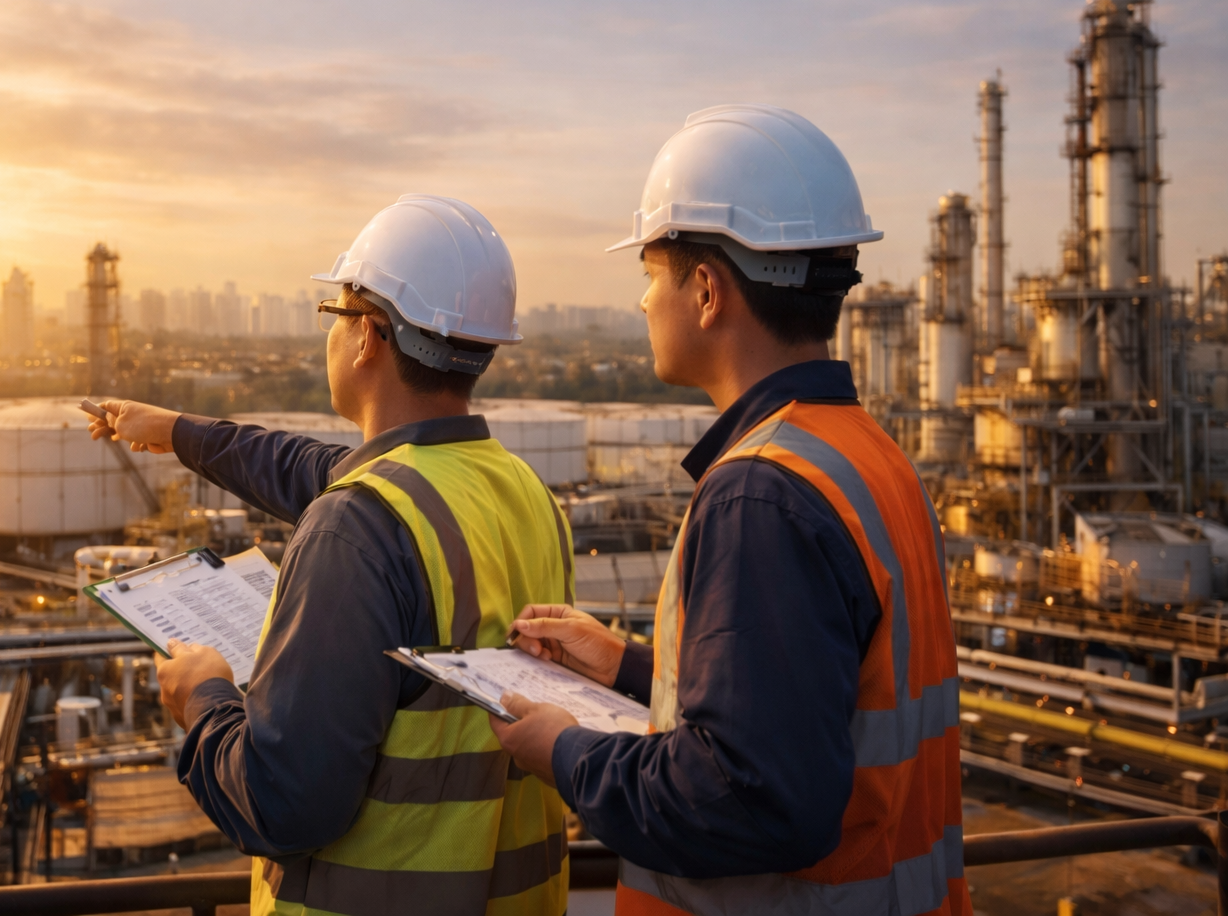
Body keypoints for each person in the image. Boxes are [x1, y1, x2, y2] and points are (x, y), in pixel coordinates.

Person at [489, 106, 971, 915]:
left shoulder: (760, 493)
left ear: (706, 291)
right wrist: (626, 668)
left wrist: (566, 753)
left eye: (650, 275)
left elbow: (748, 799)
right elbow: (814, 707)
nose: (644, 302)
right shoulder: (865, 455)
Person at [89, 194, 576, 916]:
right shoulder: (521, 493)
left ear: (369, 337)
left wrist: (205, 699)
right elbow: (313, 468)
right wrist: (177, 431)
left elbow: (285, 804)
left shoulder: (355, 528)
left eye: (336, 314)